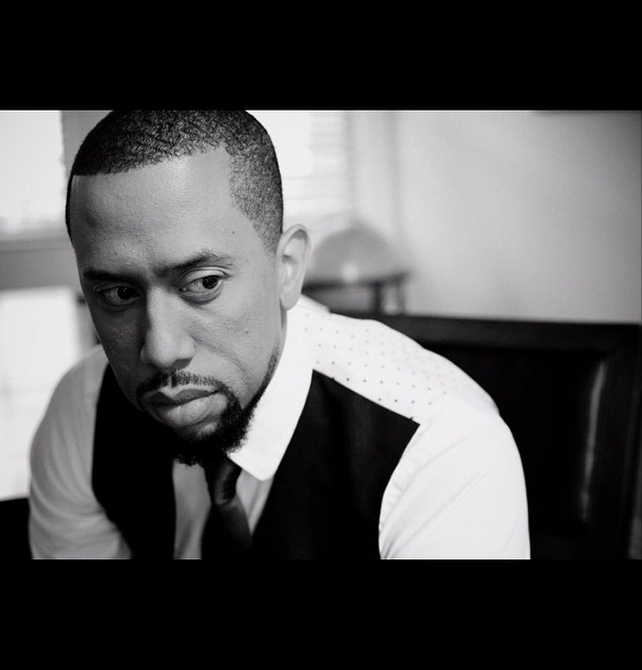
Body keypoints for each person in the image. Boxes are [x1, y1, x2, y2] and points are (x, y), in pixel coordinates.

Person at [29, 110, 531, 559]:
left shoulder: (441, 448)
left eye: (204, 283)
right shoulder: (84, 409)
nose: (161, 350)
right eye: (118, 293)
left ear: (286, 268)